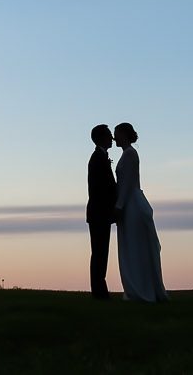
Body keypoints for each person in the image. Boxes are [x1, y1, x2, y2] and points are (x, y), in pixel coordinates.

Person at [112, 121, 166, 302]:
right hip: (130, 202)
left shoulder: (130, 154)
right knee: (133, 246)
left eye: (117, 133)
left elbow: (127, 184)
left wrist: (119, 206)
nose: (114, 137)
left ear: (124, 135)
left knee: (135, 246)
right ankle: (138, 286)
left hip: (131, 205)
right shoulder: (128, 154)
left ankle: (141, 288)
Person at [86, 124, 118, 297]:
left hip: (100, 213)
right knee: (99, 252)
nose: (112, 139)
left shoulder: (101, 157)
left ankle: (99, 289)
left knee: (100, 252)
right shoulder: (97, 158)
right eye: (108, 136)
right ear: (101, 138)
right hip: (99, 213)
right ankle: (99, 291)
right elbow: (100, 189)